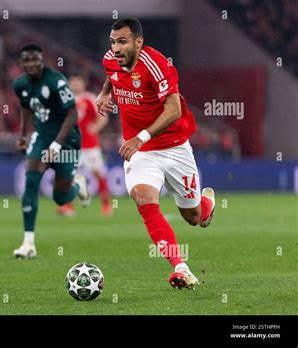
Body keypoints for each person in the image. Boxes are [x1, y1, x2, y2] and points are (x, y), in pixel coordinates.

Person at [96, 18, 215, 289]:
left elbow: (173, 110)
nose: (115, 48)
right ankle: (181, 268)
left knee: (194, 217)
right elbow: (112, 73)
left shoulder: (158, 65)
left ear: (139, 42)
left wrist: (141, 137)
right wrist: (105, 94)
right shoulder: (111, 58)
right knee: (143, 198)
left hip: (173, 147)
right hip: (141, 151)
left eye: (122, 42)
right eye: (113, 42)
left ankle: (206, 204)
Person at [12, 44, 90, 259]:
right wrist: (23, 135)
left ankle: (78, 184)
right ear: (21, 63)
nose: (30, 64)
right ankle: (28, 243)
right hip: (41, 137)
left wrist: (57, 145)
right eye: (26, 61)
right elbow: (26, 106)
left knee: (60, 197)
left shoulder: (56, 81)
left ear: (42, 60)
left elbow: (72, 114)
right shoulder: (20, 84)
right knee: (31, 182)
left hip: (67, 141)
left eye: (34, 60)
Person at [57, 73, 112, 217]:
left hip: (90, 145)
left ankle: (106, 205)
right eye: (73, 82)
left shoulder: (90, 99)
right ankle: (68, 207)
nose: (75, 85)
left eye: (78, 82)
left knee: (97, 172)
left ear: (83, 84)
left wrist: (95, 127)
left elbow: (103, 117)